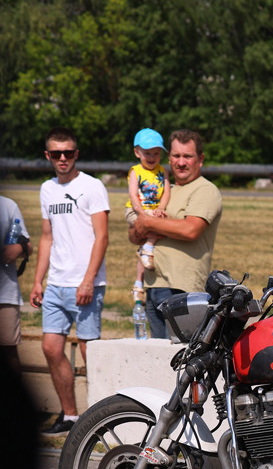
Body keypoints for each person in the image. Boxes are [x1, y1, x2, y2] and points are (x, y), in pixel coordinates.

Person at [30, 127, 110, 436]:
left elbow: (102, 237)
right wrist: (38, 281)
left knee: (92, 352)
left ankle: (102, 418)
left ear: (76, 154)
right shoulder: (46, 189)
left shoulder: (92, 186)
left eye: (69, 153)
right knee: (51, 348)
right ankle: (70, 415)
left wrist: (88, 280)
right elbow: (47, 236)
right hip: (56, 284)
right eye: (56, 154)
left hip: (86, 285)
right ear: (47, 156)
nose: (63, 159)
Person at [129, 129, 223, 339]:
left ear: (200, 159)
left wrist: (148, 223)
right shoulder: (164, 190)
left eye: (187, 156)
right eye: (176, 156)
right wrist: (147, 225)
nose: (181, 162)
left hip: (182, 290)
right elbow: (133, 235)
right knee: (156, 359)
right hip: (153, 286)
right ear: (169, 158)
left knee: (178, 361)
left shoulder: (205, 190)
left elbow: (190, 230)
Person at [124, 128, 171, 300]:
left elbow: (166, 192)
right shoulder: (136, 171)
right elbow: (133, 195)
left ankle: (138, 284)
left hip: (154, 211)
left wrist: (162, 208)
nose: (152, 157)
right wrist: (142, 213)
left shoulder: (163, 171)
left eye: (156, 153)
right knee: (154, 233)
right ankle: (148, 246)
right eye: (147, 153)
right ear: (137, 152)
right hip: (135, 210)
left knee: (165, 229)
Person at [0, 195, 31, 373]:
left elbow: (28, 245)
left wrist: (19, 248)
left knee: (8, 352)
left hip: (4, 294)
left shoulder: (8, 205)